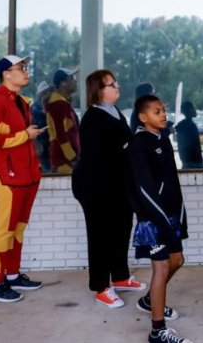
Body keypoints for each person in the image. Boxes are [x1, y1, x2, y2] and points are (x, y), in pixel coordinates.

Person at [72, 70, 146, 309]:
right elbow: (100, 157)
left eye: (116, 83)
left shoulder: (113, 112)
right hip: (96, 186)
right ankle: (102, 286)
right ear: (98, 91)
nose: (117, 87)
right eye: (111, 85)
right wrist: (129, 145)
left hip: (117, 184)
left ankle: (121, 276)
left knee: (122, 228)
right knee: (100, 235)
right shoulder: (93, 118)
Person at [127, 95, 193, 343]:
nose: (163, 115)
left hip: (171, 217)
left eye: (164, 110)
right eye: (157, 111)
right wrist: (161, 220)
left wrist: (180, 217)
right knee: (162, 267)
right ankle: (157, 331)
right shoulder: (138, 144)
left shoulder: (163, 141)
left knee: (177, 260)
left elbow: (172, 184)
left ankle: (149, 301)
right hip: (153, 220)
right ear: (143, 117)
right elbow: (144, 189)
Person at [0, 55, 44, 303]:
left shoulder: (19, 102)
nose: (26, 72)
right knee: (4, 231)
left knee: (17, 229)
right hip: (8, 177)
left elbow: (14, 136)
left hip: (26, 176)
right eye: (21, 68)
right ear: (7, 74)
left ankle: (13, 275)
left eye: (26, 67)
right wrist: (25, 135)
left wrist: (27, 136)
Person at [46, 68, 80, 173]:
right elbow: (60, 134)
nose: (76, 81)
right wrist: (72, 158)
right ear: (63, 83)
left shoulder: (62, 103)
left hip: (67, 161)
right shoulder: (58, 104)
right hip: (65, 162)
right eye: (72, 78)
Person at [30, 81, 53, 172]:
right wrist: (35, 143)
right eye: (45, 93)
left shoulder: (51, 106)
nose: (47, 95)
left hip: (50, 147)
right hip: (42, 148)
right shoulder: (34, 109)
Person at [175, 101, 203, 169]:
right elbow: (191, 145)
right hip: (194, 162)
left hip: (188, 161)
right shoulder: (190, 126)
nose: (195, 110)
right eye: (193, 108)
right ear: (189, 110)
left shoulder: (183, 125)